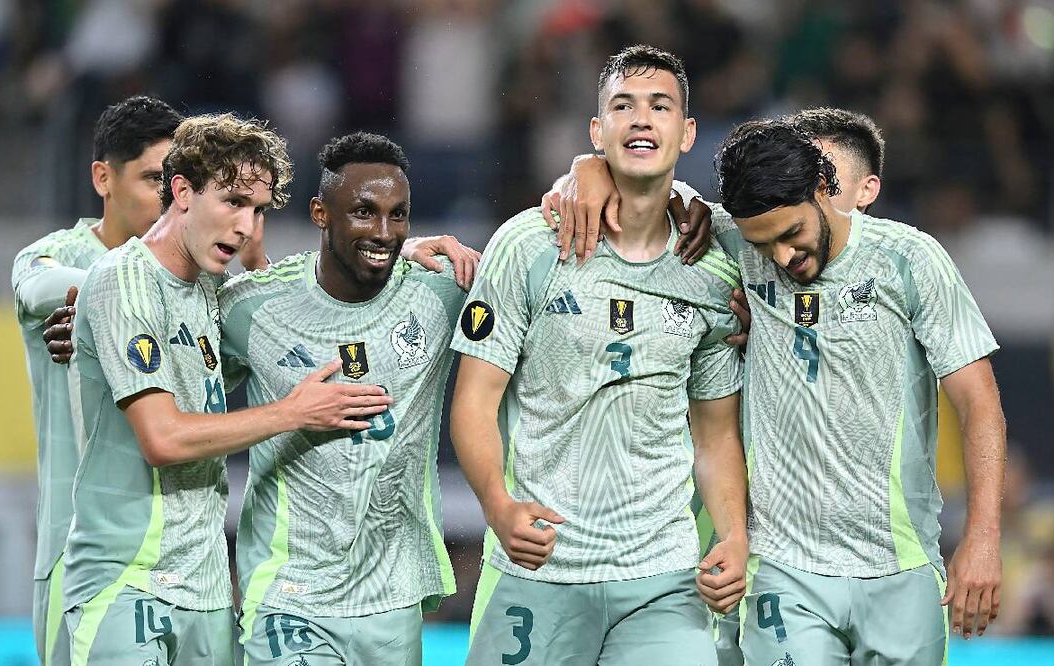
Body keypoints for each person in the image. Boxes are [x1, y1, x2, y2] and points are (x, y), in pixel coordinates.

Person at [451, 45, 748, 665]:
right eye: (623, 106)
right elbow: (475, 401)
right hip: (541, 566)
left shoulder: (714, 267)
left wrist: (735, 536)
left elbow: (715, 434)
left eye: (660, 106)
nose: (642, 120)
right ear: (596, 131)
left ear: (687, 132)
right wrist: (498, 507)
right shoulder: (529, 244)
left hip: (663, 577)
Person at [62, 113, 395, 666]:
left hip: (208, 591)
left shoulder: (212, 293)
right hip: (126, 582)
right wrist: (292, 413)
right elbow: (162, 438)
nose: (245, 225)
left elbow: (298, 295)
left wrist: (403, 252)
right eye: (234, 202)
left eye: (258, 210)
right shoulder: (124, 278)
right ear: (183, 191)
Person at [715, 119, 1003, 664]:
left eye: (791, 234)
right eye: (763, 243)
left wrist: (984, 537)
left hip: (900, 565)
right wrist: (583, 176)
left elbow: (980, 405)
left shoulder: (910, 259)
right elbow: (649, 202)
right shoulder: (740, 242)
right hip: (783, 565)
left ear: (825, 190)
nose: (780, 257)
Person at [220, 132, 470, 665]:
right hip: (289, 595)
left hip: (391, 600)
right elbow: (172, 360)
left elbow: (535, 266)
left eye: (397, 215)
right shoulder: (250, 308)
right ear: (319, 213)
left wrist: (578, 177)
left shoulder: (441, 289)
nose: (384, 232)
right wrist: (80, 316)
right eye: (363, 212)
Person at [10, 95, 185, 666]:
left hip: (186, 565)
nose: (168, 199)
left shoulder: (199, 280)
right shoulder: (49, 259)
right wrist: (116, 299)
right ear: (102, 178)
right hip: (81, 553)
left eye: (177, 182)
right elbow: (39, 289)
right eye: (152, 178)